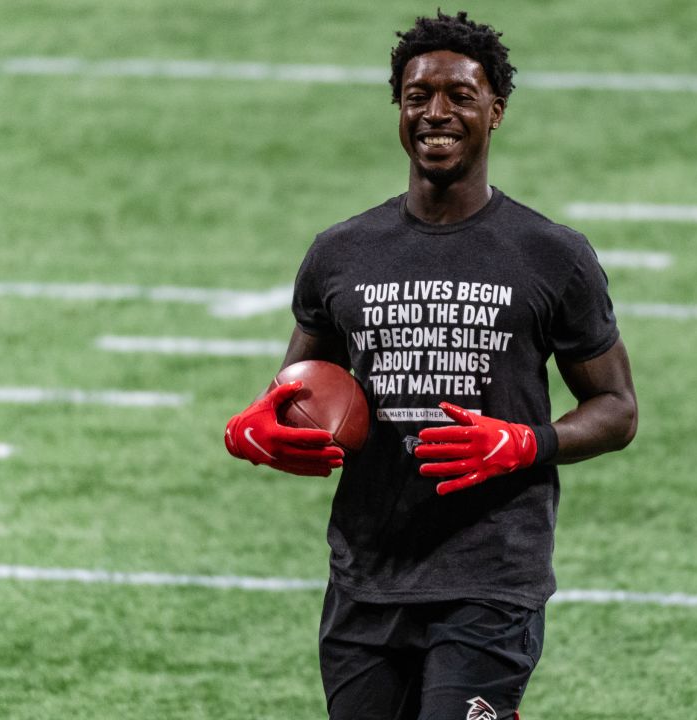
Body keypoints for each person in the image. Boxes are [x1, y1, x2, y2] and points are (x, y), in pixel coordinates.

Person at [224, 10, 638, 719]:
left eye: (460, 96)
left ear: (495, 111)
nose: (436, 113)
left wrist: (526, 443)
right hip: (367, 573)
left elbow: (618, 409)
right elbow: (290, 392)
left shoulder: (551, 255)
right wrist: (251, 431)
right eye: (418, 97)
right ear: (399, 109)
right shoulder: (340, 252)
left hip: (490, 574)